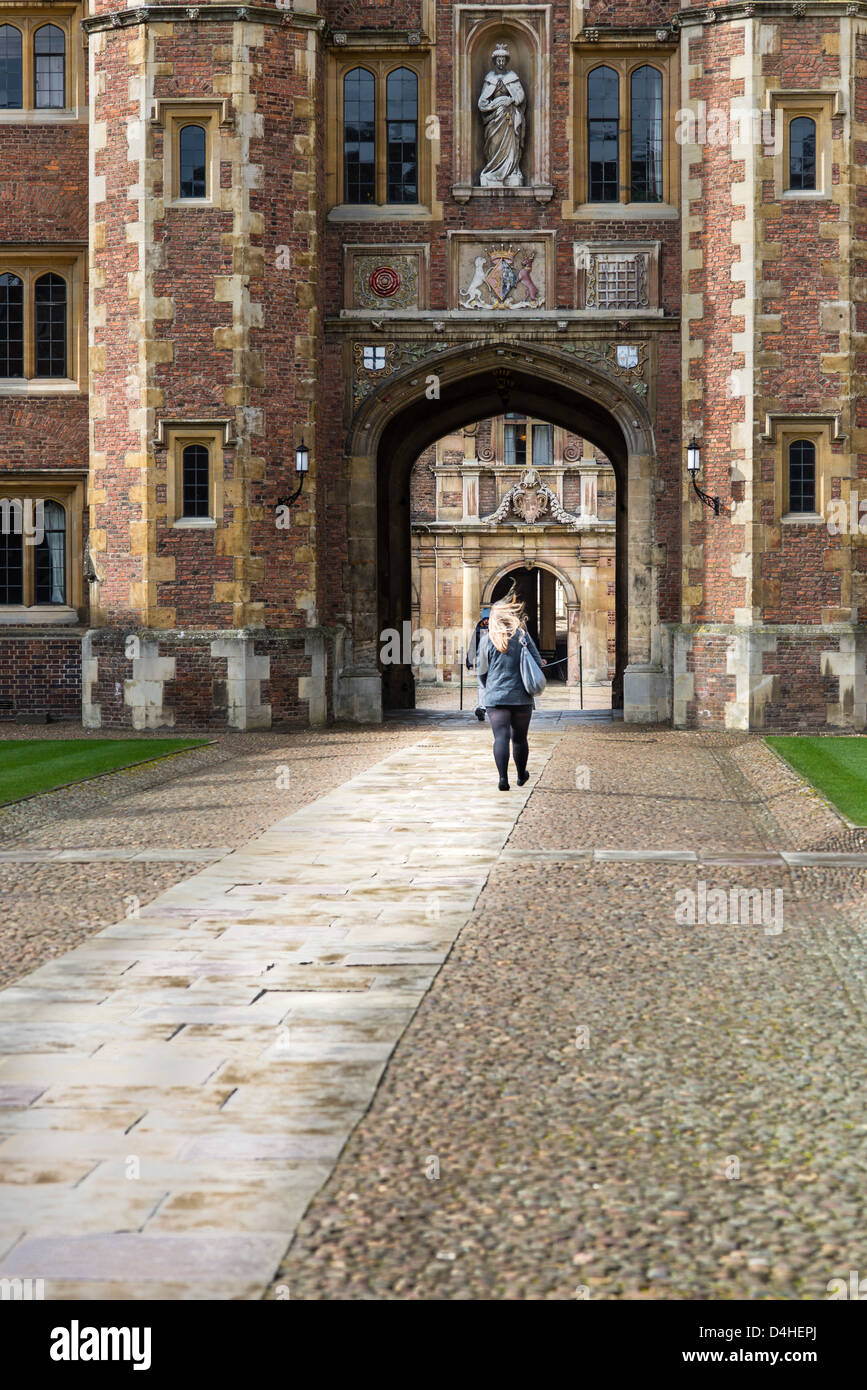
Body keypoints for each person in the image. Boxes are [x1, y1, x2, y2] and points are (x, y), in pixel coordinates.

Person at [477, 590, 546, 790]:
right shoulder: (522, 636)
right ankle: (521, 775)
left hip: (495, 697)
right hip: (521, 696)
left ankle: (502, 779)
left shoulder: (487, 639)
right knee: (519, 738)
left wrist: (489, 685)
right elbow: (536, 662)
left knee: (500, 737)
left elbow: (481, 671)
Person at [465, 609, 490, 721]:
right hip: (482, 660)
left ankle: (492, 706)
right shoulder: (479, 627)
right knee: (481, 684)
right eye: (484, 619)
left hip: (495, 660)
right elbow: (473, 644)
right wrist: (469, 660)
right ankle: (481, 707)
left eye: (488, 619)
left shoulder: (498, 627)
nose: (486, 621)